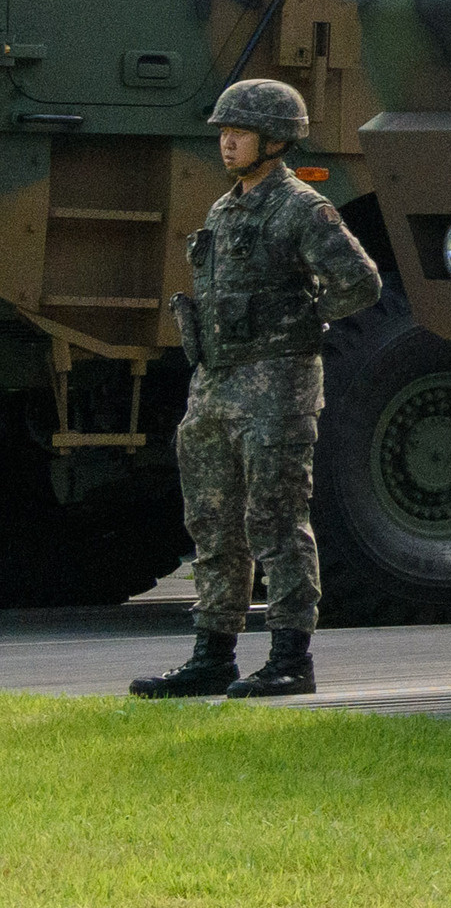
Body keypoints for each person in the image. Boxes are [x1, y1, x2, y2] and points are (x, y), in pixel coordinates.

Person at [129, 78, 383, 701]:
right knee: (213, 525)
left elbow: (362, 283)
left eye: (238, 133)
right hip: (217, 386)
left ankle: (291, 657)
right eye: (223, 131)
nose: (226, 142)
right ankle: (213, 655)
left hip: (278, 388)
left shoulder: (303, 207)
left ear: (275, 140)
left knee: (276, 521)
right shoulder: (226, 207)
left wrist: (304, 318)